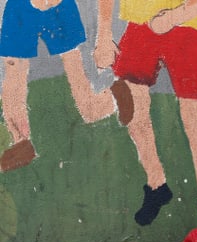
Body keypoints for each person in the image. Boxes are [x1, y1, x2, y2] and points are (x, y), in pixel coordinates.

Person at [94, 0, 197, 225]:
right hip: (141, 22)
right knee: (131, 104)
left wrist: (173, 17)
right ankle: (156, 184)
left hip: (192, 25)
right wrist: (103, 34)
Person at [0, 0, 130, 172]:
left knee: (89, 109)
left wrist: (105, 36)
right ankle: (21, 141)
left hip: (58, 10)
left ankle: (115, 95)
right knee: (12, 82)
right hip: (20, 9)